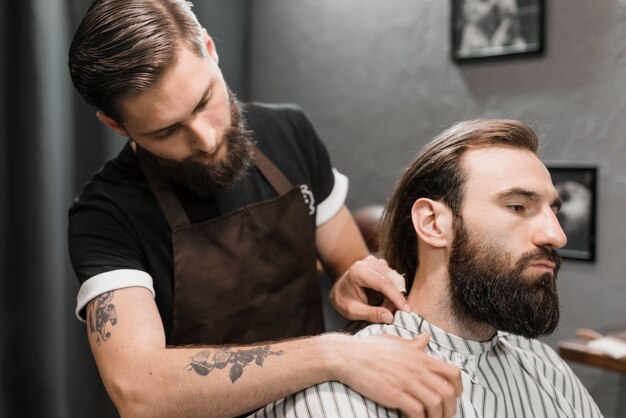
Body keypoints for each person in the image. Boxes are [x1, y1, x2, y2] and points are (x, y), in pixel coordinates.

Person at [67, 1, 463, 417]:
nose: (204, 139)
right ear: (116, 126)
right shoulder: (105, 214)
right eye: (166, 130)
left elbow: (350, 261)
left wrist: (355, 278)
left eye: (204, 101)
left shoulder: (289, 133)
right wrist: (331, 355)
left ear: (209, 48)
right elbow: (140, 391)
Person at [256, 119, 604, 418]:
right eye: (517, 206)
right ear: (434, 224)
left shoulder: (544, 367)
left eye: (553, 211)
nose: (556, 236)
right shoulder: (339, 396)